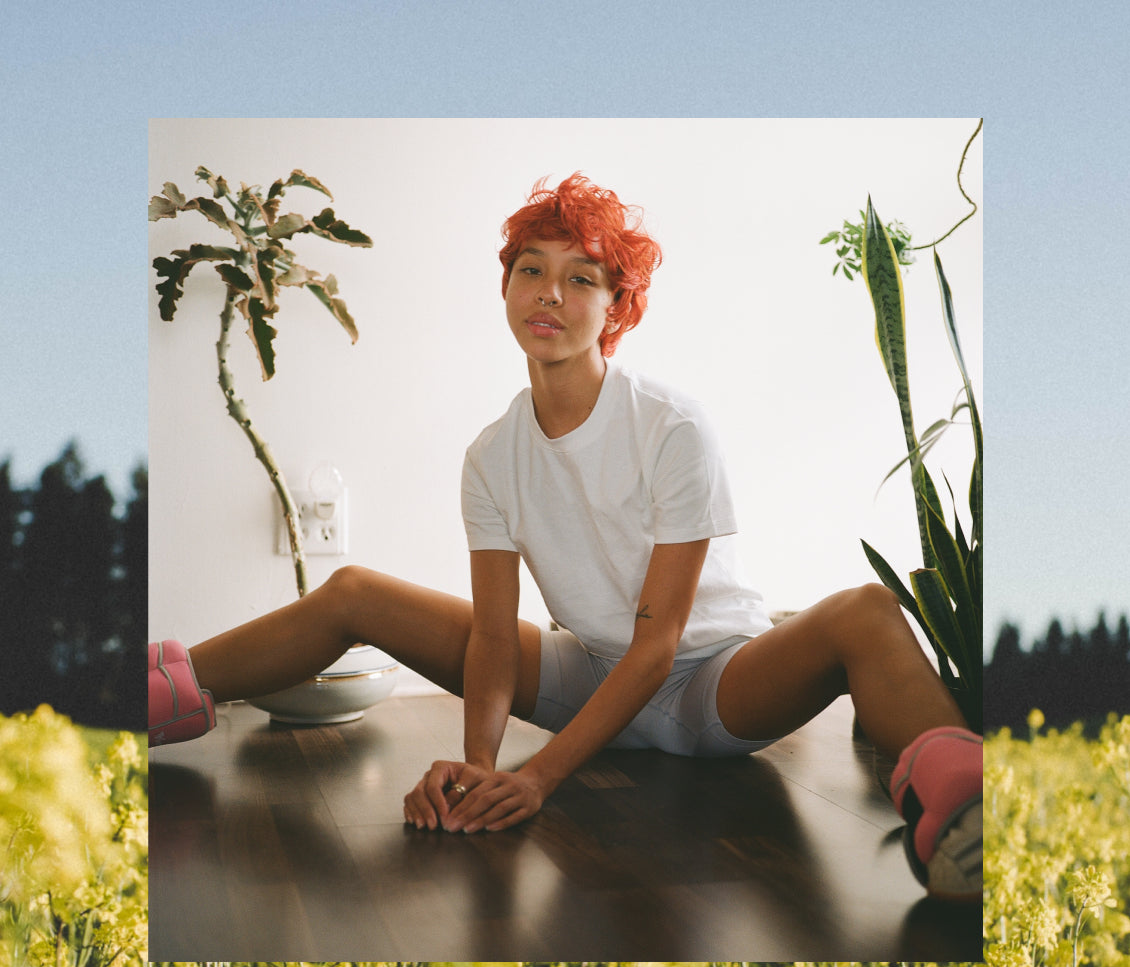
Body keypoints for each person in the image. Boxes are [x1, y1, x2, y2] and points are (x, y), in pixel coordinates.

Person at [149, 174, 982, 902]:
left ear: (617, 306)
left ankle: (966, 818)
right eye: (530, 271)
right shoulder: (491, 455)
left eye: (580, 278)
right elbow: (491, 635)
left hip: (712, 682)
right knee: (355, 592)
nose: (549, 293)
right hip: (587, 671)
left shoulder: (673, 427)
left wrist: (535, 775)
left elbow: (658, 648)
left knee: (868, 610)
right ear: (506, 288)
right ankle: (160, 695)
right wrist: (478, 764)